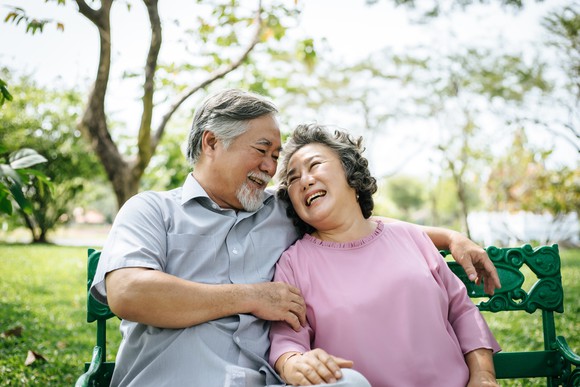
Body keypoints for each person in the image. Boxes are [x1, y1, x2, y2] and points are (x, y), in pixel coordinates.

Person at [90, 88, 500, 387]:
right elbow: (129, 293)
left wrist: (449, 237)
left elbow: (355, 223)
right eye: (263, 150)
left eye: (276, 157)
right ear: (211, 142)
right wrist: (251, 297)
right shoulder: (151, 210)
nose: (272, 168)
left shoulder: (283, 212)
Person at [269, 123, 501, 387]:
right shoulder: (294, 263)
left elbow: (462, 312)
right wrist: (293, 362)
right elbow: (287, 341)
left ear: (350, 173)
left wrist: (484, 375)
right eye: (293, 177)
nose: (304, 180)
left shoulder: (410, 237)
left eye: (315, 165)